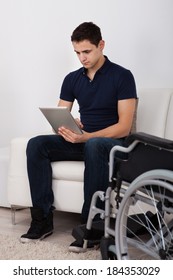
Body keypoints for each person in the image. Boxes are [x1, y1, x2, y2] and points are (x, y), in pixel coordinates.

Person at [20, 22, 137, 250]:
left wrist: (87, 137)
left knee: (94, 145)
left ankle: (91, 226)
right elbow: (60, 116)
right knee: (36, 145)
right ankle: (42, 220)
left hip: (112, 145)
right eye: (77, 53)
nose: (82, 58)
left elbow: (124, 127)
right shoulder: (72, 78)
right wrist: (69, 124)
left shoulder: (122, 76)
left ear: (101, 45)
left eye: (86, 52)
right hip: (84, 141)